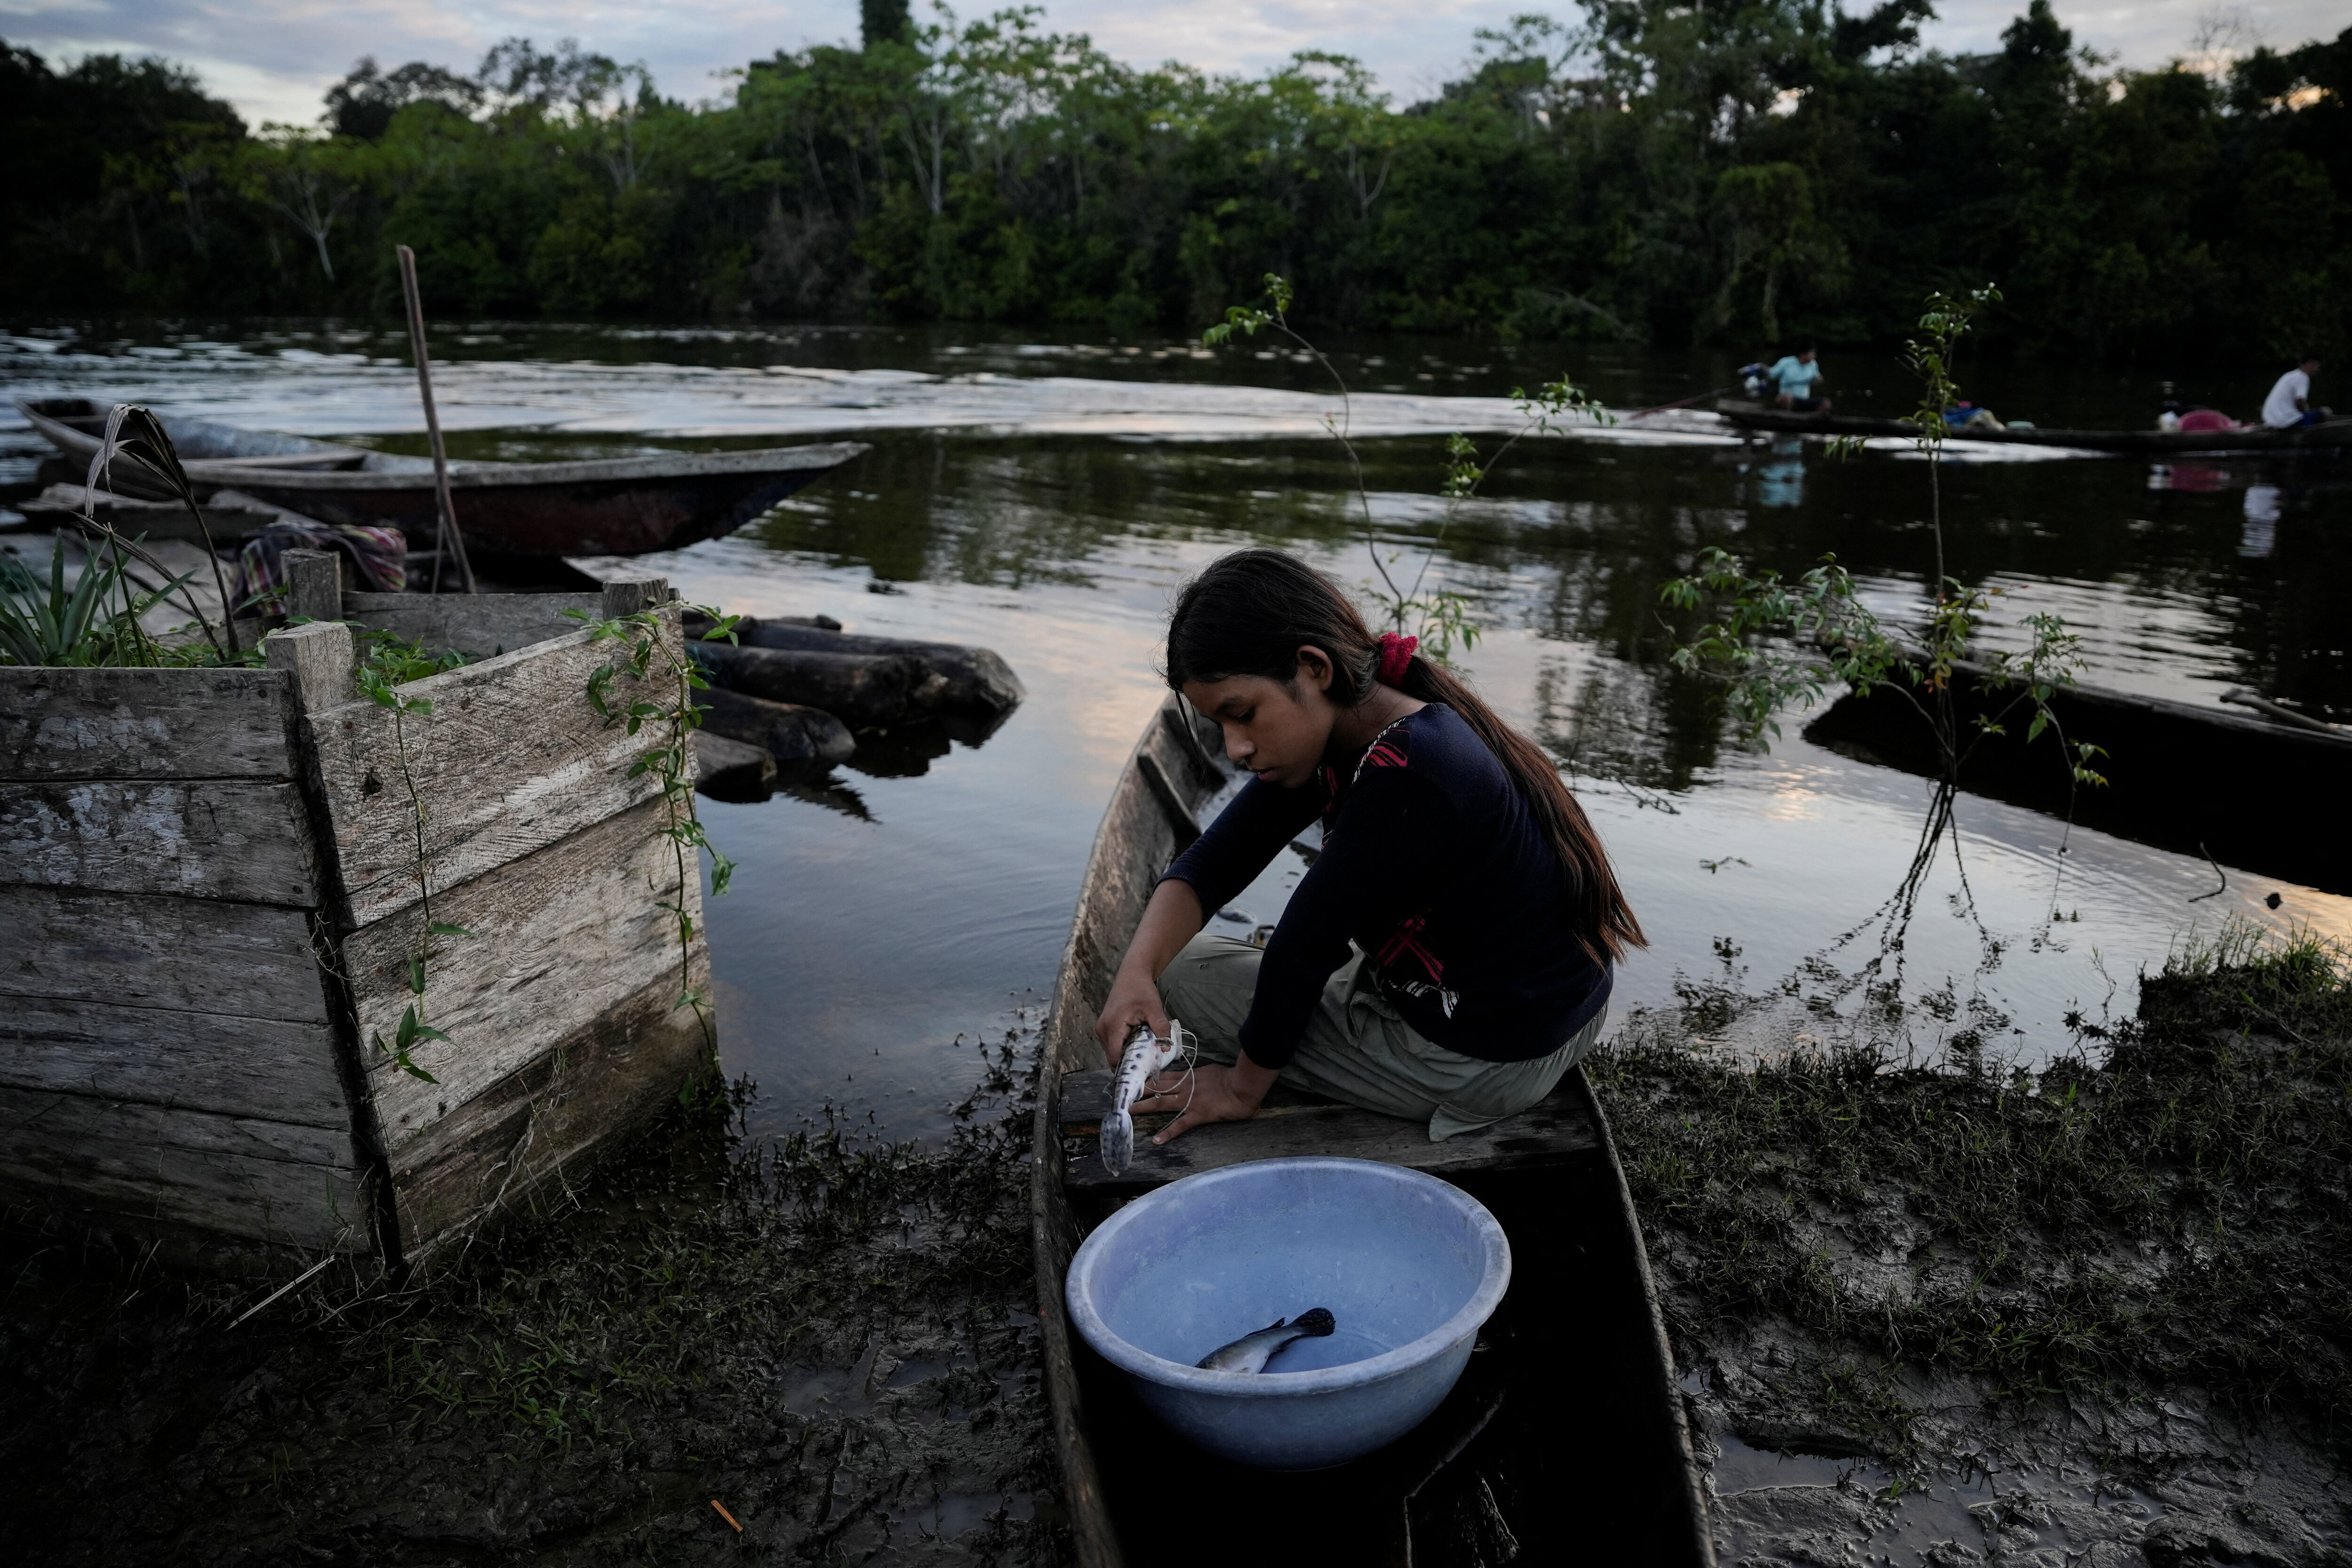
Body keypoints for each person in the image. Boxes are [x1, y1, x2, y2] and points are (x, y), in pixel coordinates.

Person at [1093, 549, 1644, 1148]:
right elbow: (1215, 860)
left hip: (1486, 1059)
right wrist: (1132, 972)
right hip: (1542, 1010)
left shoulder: (1410, 774)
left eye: (1242, 714)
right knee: (1165, 964)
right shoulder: (1363, 720)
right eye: (1220, 727)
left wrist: (1239, 1088)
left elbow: (1303, 950)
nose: (1235, 749)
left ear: (1313, 668)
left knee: (1180, 977)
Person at [2261, 355, 2332, 429]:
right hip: (2287, 422)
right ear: (2310, 364)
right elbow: (2300, 402)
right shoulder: (2303, 377)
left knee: (2310, 414)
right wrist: (2307, 412)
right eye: (2317, 365)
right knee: (2327, 411)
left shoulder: (2289, 375)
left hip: (2271, 421)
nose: (2318, 368)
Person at [1765, 342, 1829, 412]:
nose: (1814, 355)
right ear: (1803, 354)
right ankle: (1786, 417)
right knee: (1786, 398)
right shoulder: (1786, 362)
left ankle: (1811, 420)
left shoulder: (1813, 364)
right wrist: (1762, 368)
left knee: (1826, 403)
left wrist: (1819, 380)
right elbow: (1772, 375)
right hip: (1787, 398)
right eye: (1812, 353)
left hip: (1804, 400)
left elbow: (1817, 378)